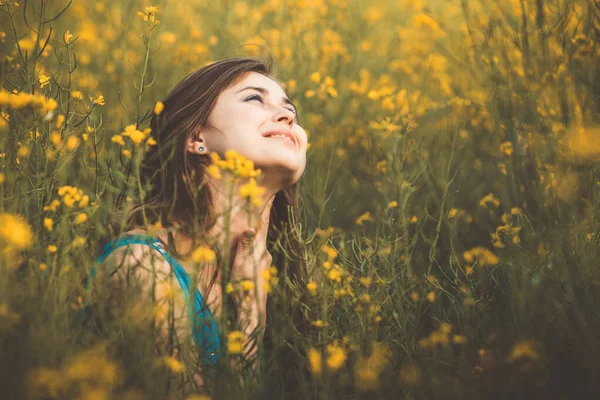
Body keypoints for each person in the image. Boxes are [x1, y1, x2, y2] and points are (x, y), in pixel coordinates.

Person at [91, 56, 308, 396]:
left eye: (290, 108)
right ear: (196, 138)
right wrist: (249, 327)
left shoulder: (287, 288)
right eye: (255, 98)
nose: (288, 116)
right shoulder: (141, 266)